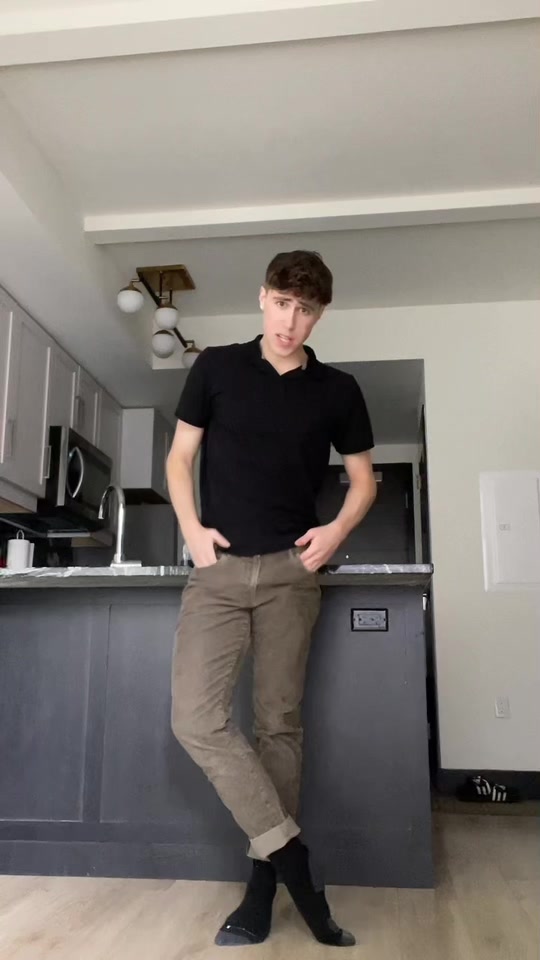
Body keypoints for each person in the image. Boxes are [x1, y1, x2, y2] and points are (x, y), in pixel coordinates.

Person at [167, 250, 376, 947]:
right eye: (283, 303)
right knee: (195, 718)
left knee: (278, 727)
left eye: (306, 310)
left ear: (320, 315)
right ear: (263, 298)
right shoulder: (216, 368)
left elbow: (363, 480)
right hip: (218, 573)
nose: (291, 321)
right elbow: (179, 458)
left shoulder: (338, 390)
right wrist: (191, 528)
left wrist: (337, 530)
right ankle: (293, 860)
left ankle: (261, 889)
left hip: (292, 573)